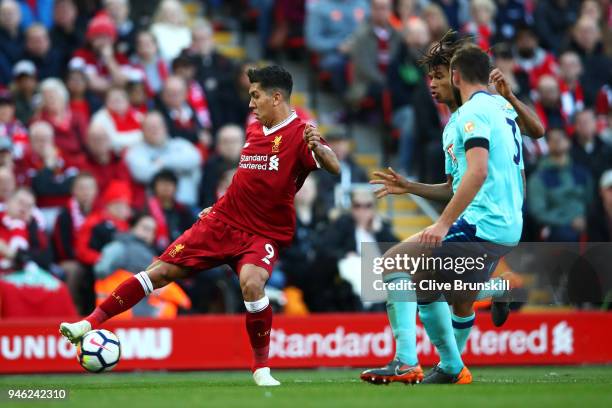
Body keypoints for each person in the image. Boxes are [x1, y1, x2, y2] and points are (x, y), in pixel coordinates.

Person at [60, 65, 341, 386]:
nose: (251, 103)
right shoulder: (253, 129)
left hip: (262, 233)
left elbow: (334, 166)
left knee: (252, 284)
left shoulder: (301, 133)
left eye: (256, 96)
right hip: (222, 222)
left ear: (276, 97)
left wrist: (318, 145)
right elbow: (248, 179)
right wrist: (219, 207)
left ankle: (261, 368)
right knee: (159, 272)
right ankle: (90, 322)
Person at [361, 35, 544, 385]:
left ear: (457, 76)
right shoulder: (479, 117)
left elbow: (478, 172)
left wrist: (443, 224)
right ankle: (454, 362)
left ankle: (409, 361)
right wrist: (410, 186)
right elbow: (453, 187)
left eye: (440, 77)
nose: (432, 85)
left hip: (483, 220)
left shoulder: (472, 114)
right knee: (450, 294)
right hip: (504, 224)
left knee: (394, 263)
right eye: (430, 77)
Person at [125, 111, 201, 208]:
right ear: (142, 131)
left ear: (165, 127)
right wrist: (178, 166)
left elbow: (195, 159)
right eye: (149, 127)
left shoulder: (180, 144)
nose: (154, 130)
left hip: (189, 206)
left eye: (157, 126)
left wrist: (163, 162)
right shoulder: (136, 152)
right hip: (158, 210)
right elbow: (142, 174)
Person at [528, 128, 592, 242]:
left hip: (586, 223)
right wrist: (570, 220)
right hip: (557, 229)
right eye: (553, 139)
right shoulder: (539, 178)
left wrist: (585, 219)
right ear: (547, 145)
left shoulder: (582, 172)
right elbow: (538, 212)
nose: (557, 141)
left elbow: (591, 202)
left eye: (561, 137)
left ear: (569, 142)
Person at [52, 172, 98, 314]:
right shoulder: (65, 215)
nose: (86, 192)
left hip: (94, 258)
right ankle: (73, 312)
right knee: (74, 270)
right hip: (71, 260)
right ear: (74, 191)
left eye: (90, 188)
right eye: (82, 188)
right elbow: (62, 248)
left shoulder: (100, 213)